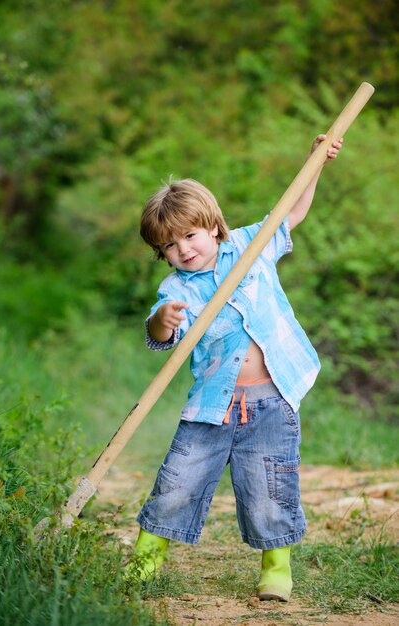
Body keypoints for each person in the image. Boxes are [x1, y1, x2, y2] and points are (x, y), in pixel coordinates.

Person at [128, 135, 343, 601]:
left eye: (190, 235)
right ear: (160, 254)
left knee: (269, 485)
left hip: (272, 397)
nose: (183, 250)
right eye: (168, 245)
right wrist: (160, 322)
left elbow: (293, 212)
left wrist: (313, 164)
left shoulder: (251, 244)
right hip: (211, 405)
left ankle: (276, 570)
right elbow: (161, 334)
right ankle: (144, 564)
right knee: (178, 482)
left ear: (213, 226)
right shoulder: (176, 290)